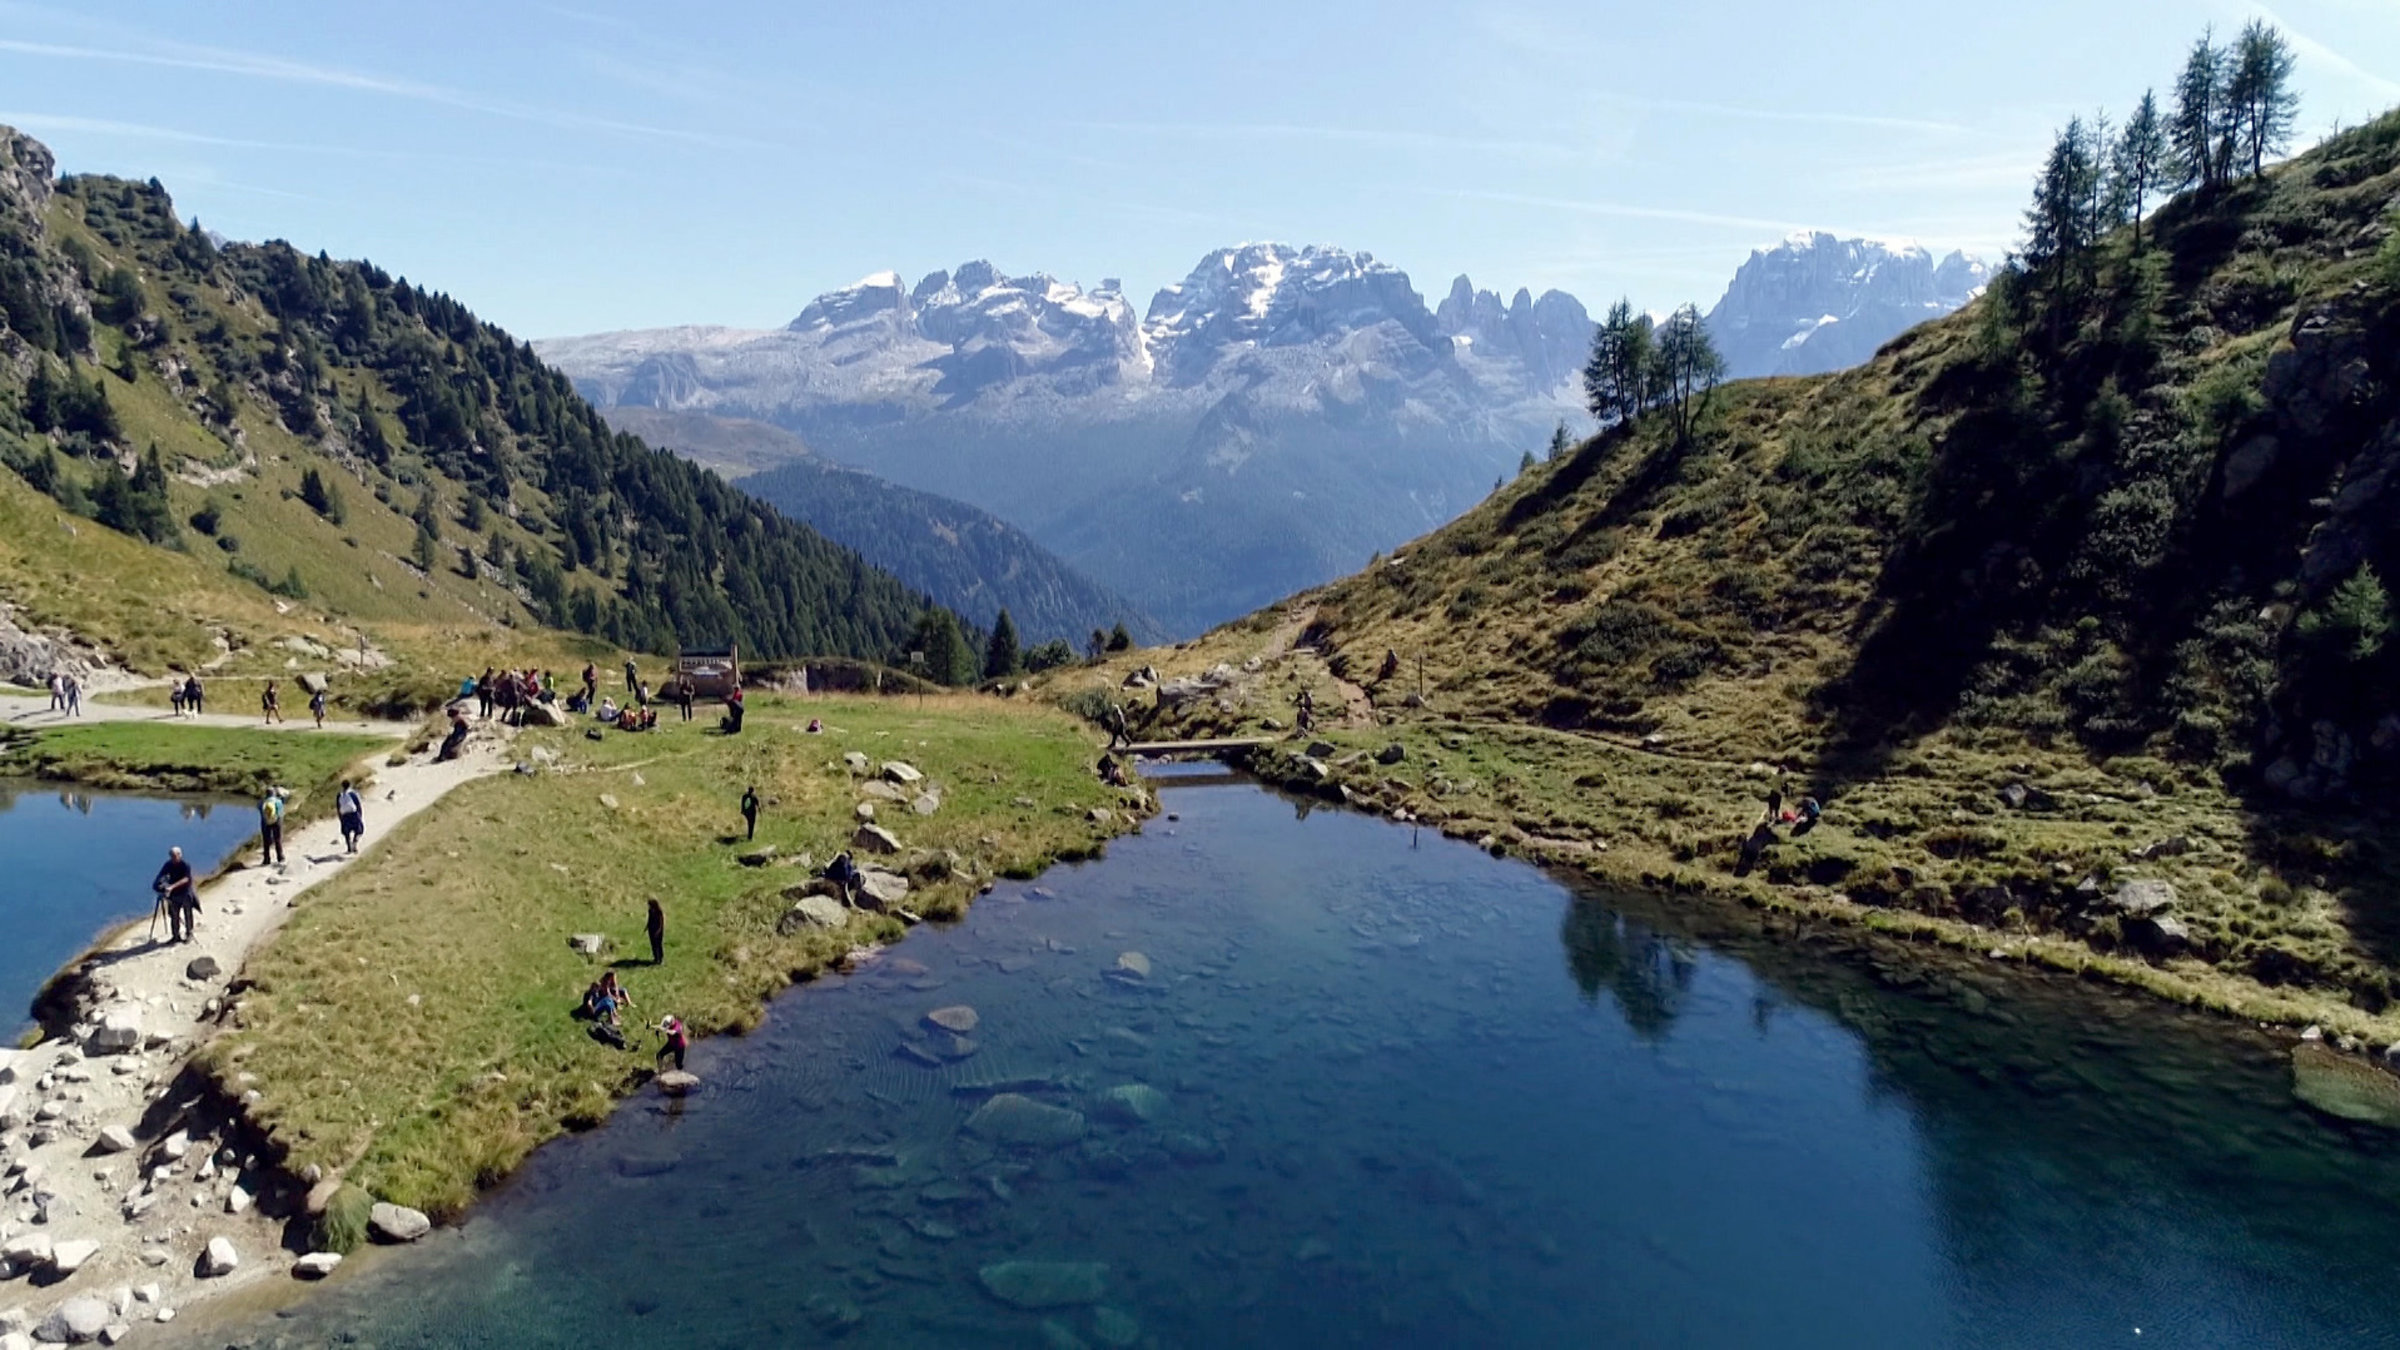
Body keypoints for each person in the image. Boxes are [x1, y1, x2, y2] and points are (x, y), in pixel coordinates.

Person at [153, 846, 198, 944]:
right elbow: (161, 875)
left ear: (180, 855)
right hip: (174, 895)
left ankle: (189, 933)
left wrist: (172, 886)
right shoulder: (168, 865)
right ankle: (175, 936)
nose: (173, 858)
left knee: (188, 914)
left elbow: (186, 879)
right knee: (174, 915)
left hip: (185, 893)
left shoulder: (185, 865)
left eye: (174, 856)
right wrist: (159, 884)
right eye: (171, 856)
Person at [258, 787, 288, 866]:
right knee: (277, 839)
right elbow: (280, 813)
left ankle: (266, 859)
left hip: (265, 822)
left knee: (266, 841)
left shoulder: (262, 802)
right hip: (277, 822)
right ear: (274, 793)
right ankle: (280, 857)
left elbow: (259, 809)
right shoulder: (278, 801)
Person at [335, 779, 365, 854]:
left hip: (344, 815)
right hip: (353, 814)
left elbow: (338, 806)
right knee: (359, 829)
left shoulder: (339, 795)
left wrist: (340, 817)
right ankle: (354, 843)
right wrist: (360, 815)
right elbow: (357, 804)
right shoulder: (352, 793)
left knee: (346, 832)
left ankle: (349, 847)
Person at [646, 897, 666, 966]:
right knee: (653, 944)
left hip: (658, 930)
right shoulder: (650, 910)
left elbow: (661, 922)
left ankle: (660, 958)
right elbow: (649, 919)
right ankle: (655, 958)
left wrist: (659, 930)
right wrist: (647, 926)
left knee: (659, 944)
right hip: (651, 929)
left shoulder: (659, 911)